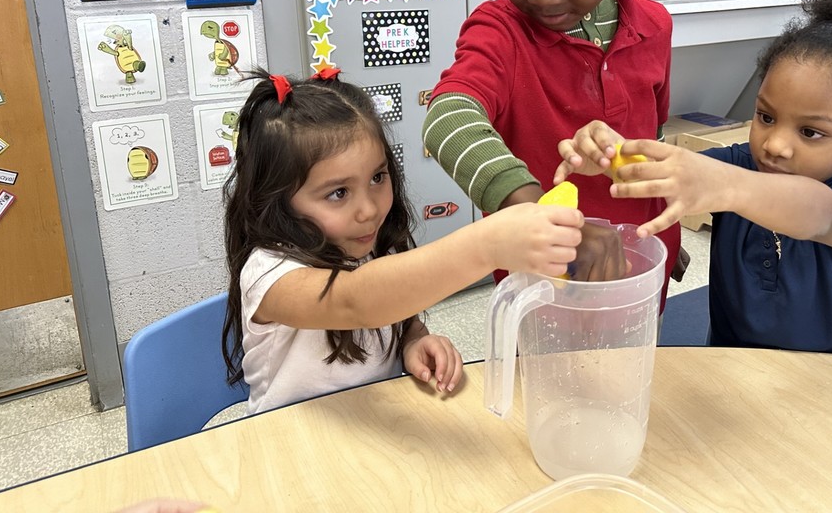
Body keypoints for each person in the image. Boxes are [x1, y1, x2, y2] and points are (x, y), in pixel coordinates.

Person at [554, 0, 832, 357]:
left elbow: (823, 215)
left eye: (810, 132)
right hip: (738, 383)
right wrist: (612, 153)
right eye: (766, 117)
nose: (776, 145)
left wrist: (730, 186)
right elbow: (668, 173)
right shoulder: (741, 166)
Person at [422, 0, 683, 306]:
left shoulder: (655, 26)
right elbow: (447, 118)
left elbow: (655, 139)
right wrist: (540, 218)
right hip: (544, 279)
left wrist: (666, 227)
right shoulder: (498, 32)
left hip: (642, 265)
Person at [222, 68, 584, 415]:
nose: (368, 209)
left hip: (374, 432)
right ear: (276, 199)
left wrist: (414, 340)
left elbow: (395, 313)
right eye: (338, 193)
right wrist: (486, 246)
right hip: (288, 446)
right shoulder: (268, 274)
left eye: (378, 177)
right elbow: (354, 301)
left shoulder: (368, 244)